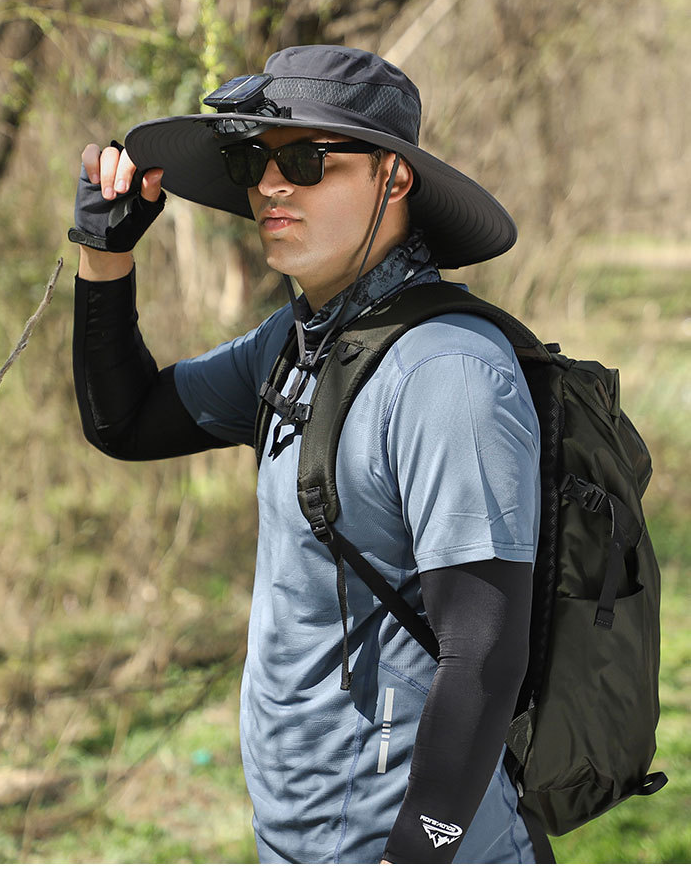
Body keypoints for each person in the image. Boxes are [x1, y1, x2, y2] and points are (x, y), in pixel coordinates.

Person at [70, 45, 542, 864]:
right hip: (295, 845)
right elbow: (128, 422)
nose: (270, 185)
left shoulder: (450, 372)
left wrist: (418, 860)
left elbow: (486, 649)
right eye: (255, 158)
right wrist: (105, 259)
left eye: (305, 158)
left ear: (394, 178)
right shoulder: (296, 345)